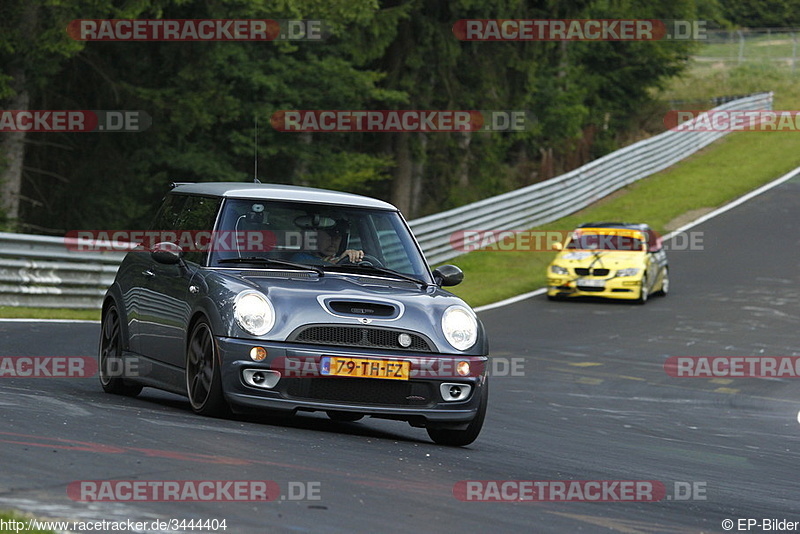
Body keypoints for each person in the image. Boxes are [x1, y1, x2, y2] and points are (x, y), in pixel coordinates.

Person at [292, 225, 364, 264]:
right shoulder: (301, 258)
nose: (333, 242)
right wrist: (338, 261)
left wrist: (355, 256)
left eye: (337, 237)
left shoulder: (343, 258)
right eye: (329, 237)